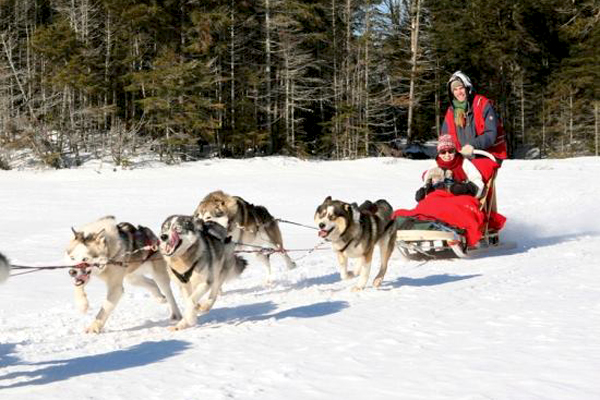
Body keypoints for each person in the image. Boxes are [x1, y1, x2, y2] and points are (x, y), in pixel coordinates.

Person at [441, 71, 507, 182]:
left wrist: (472, 145)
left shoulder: (482, 105)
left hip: (485, 154)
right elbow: (445, 137)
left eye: (461, 88)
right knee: (441, 176)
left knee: (471, 177)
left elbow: (491, 134)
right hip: (461, 157)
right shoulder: (452, 112)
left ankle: (471, 193)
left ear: (468, 88)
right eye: (455, 90)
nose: (459, 92)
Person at [415, 134, 483, 202]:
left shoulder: (463, 162)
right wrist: (424, 190)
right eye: (443, 152)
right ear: (439, 153)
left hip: (460, 198)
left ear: (455, 151)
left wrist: (468, 188)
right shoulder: (436, 164)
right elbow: (428, 179)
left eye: (450, 151)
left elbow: (477, 179)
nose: (447, 155)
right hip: (439, 198)